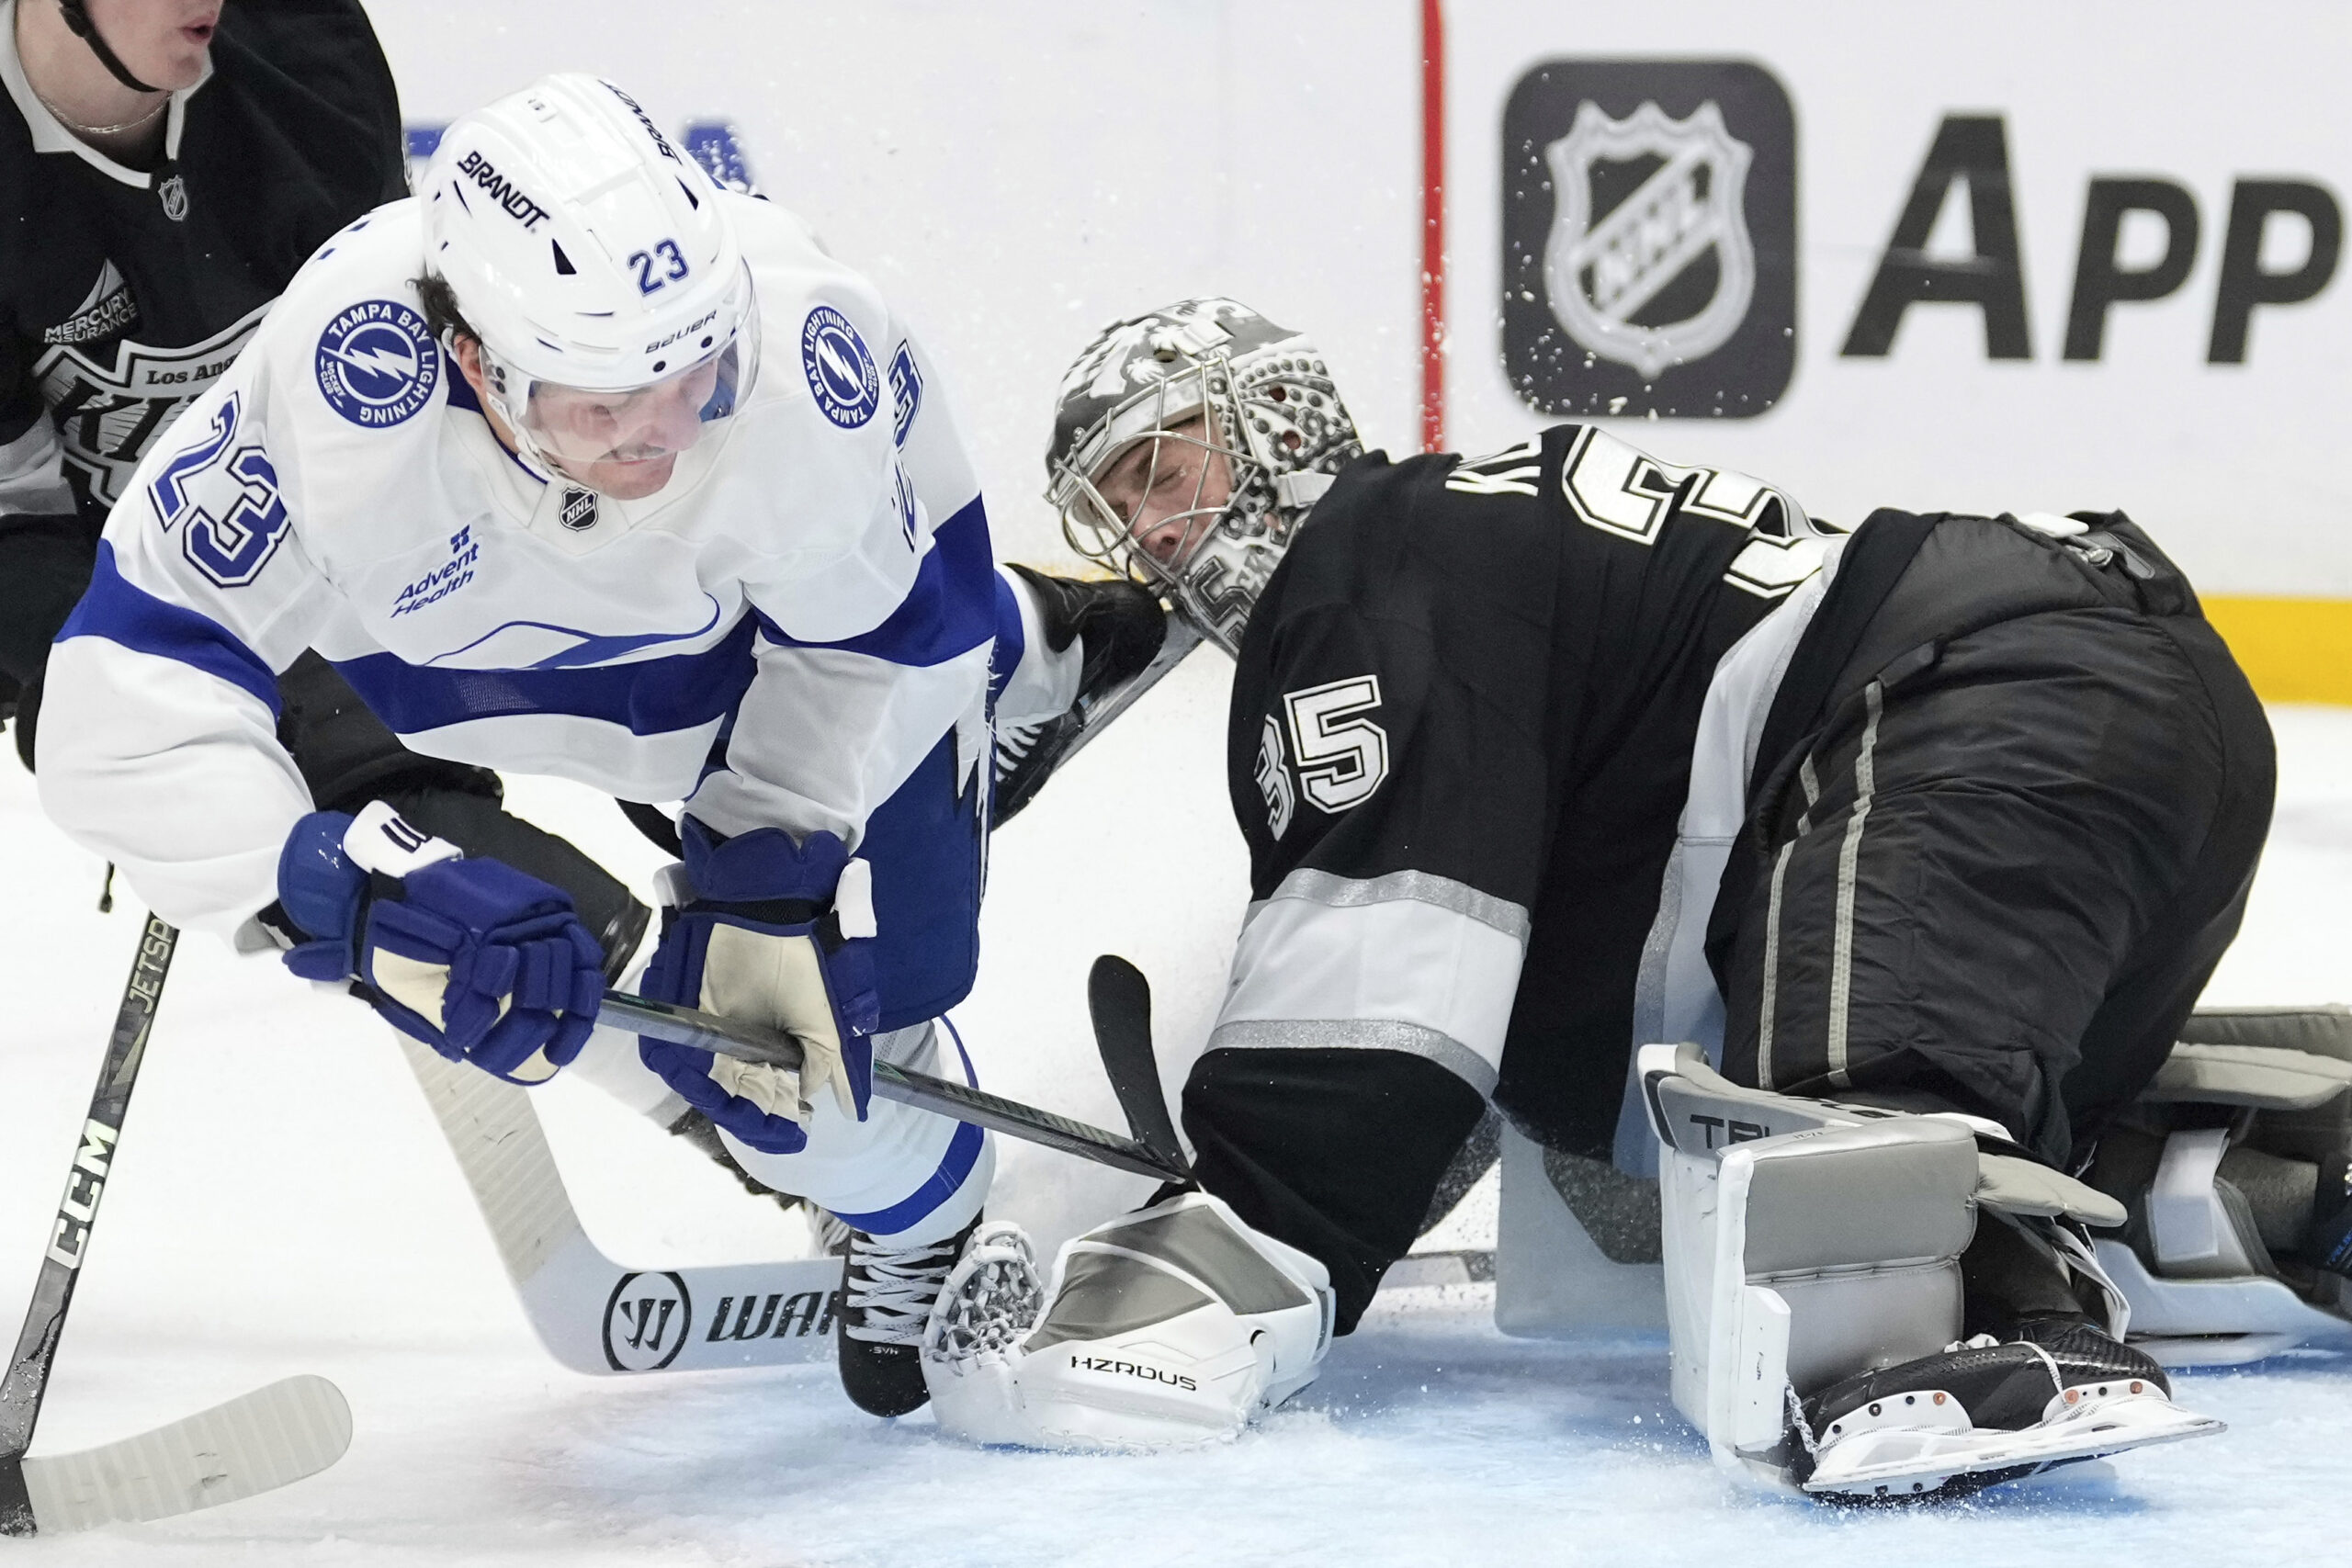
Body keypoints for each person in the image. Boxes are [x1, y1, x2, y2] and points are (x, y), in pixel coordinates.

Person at [920, 298, 2279, 1501]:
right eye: (1121, 505)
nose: (1155, 525)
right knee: (1916, 1115)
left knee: (1846, 1211)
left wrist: (1246, 1227)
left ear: (1279, 420)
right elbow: (1529, 964)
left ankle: (1980, 1321)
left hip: (1965, 712)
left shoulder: (1368, 561)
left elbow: (1383, 968)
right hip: (2115, 723)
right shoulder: (1462, 553)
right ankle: (2261, 1178)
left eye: (1167, 465)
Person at [34, 72, 1043, 1419]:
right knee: (602, 994)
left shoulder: (801, 358)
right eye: (602, 403)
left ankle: (1048, 660)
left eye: (691, 376)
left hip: (776, 667)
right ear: (476, 365)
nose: (664, 435)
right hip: (481, 678)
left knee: (841, 1070)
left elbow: (892, 639)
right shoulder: (348, 387)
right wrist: (338, 880)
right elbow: (114, 692)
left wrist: (771, 852)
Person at [0, 0, 647, 963]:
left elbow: (421, 390)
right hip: (110, 589)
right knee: (410, 855)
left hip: (337, 527)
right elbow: (15, 532)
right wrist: (154, 698)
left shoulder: (304, 47)